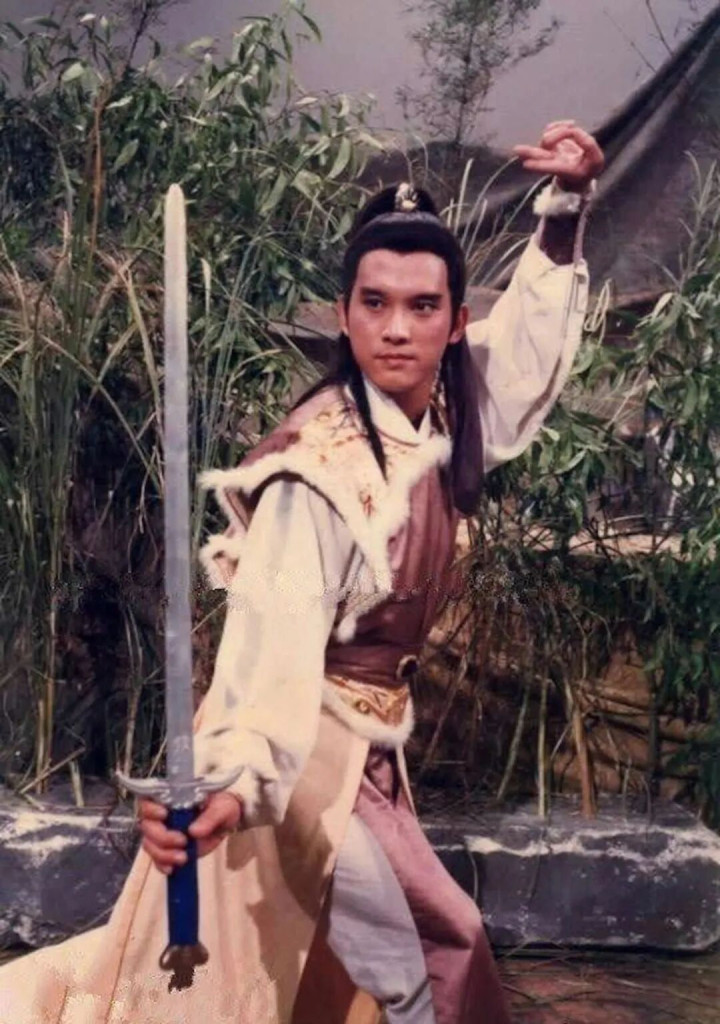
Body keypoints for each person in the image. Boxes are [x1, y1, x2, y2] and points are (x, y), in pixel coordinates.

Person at [0, 121, 604, 1024]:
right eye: (375, 303)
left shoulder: (440, 408)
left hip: (367, 747)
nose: (396, 328)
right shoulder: (316, 471)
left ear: (455, 323)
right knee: (440, 951)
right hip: (300, 751)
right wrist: (234, 778)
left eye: (423, 307)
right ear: (344, 314)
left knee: (346, 968)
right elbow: (269, 647)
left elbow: (520, 365)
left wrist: (562, 215)